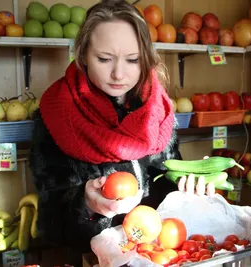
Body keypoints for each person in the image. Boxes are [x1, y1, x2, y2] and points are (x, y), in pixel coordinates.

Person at [29, 0, 215, 264]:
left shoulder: (158, 110)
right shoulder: (57, 112)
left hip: (157, 254)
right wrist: (84, 204)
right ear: (82, 55)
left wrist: (187, 187)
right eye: (104, 59)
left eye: (132, 60)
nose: (118, 74)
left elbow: (165, 180)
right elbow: (51, 223)